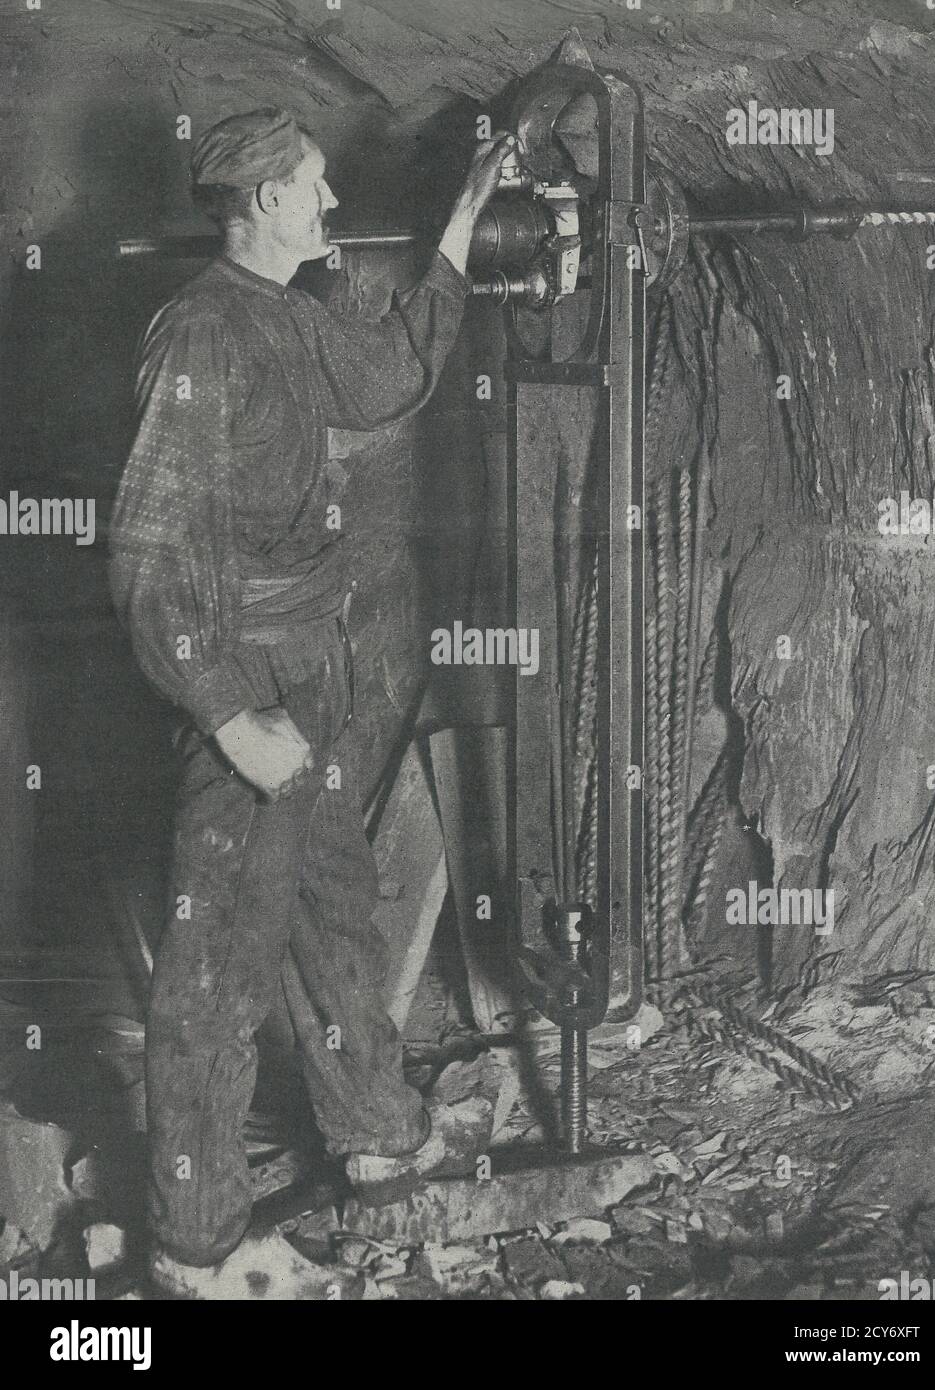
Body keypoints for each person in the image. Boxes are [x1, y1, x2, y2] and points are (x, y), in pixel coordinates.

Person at [109, 107, 511, 1282]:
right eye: (319, 188)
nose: (333, 207)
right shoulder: (197, 333)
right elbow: (145, 548)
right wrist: (230, 714)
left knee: (336, 906)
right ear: (269, 201)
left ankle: (381, 1140)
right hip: (246, 679)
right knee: (214, 971)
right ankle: (198, 1249)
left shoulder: (292, 316)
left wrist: (468, 216)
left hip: (316, 670)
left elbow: (393, 376)